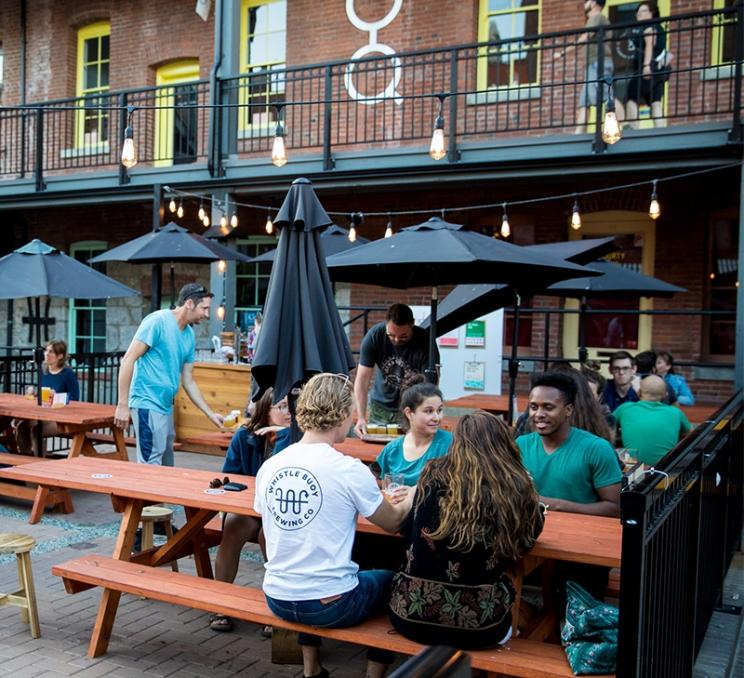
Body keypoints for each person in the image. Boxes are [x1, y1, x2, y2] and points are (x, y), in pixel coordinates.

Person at [254, 373, 413, 678]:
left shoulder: (271, 466)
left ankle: (311, 669)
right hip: (330, 605)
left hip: (277, 597)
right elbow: (393, 523)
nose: (354, 418)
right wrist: (414, 494)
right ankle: (374, 673)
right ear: (341, 414)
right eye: (352, 411)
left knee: (322, 567)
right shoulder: (349, 469)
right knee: (395, 580)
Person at [389, 411, 544, 648]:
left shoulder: (432, 475)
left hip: (410, 617)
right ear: (503, 443)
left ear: (458, 442)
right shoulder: (514, 486)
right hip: (481, 628)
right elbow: (525, 541)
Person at [114, 283, 224, 466]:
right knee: (150, 464)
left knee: (166, 463)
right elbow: (127, 360)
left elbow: (188, 381)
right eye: (204, 308)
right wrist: (122, 405)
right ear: (189, 303)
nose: (206, 314)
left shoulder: (189, 335)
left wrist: (210, 414)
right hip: (146, 403)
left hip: (166, 407)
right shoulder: (156, 322)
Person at [210, 387, 292, 633]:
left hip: (282, 511)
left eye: (292, 406)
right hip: (249, 507)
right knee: (233, 525)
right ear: (266, 410)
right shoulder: (244, 437)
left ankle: (275, 609)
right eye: (282, 406)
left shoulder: (297, 439)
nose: (289, 412)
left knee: (269, 535)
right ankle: (221, 605)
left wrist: (286, 435)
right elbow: (231, 476)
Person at [517, 371, 621, 517]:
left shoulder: (597, 448)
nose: (538, 414)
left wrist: (558, 505)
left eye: (548, 407)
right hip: (530, 532)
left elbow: (614, 508)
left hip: (581, 534)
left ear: (568, 410)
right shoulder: (520, 444)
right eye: (534, 407)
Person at [354, 304, 438, 437]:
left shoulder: (425, 341)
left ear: (412, 325)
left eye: (403, 336)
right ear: (386, 324)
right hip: (379, 408)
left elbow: (429, 386)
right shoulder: (374, 336)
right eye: (391, 335)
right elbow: (362, 380)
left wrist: (420, 415)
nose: (397, 340)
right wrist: (361, 418)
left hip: (410, 408)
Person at [376, 375, 452, 486]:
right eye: (429, 411)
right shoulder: (391, 450)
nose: (437, 417)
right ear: (409, 413)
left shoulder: (451, 444)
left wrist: (412, 494)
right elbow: (387, 491)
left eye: (439, 410)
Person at [556, 0, 616, 134]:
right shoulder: (596, 18)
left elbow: (586, 37)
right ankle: (578, 134)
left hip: (599, 63)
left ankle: (621, 126)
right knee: (585, 101)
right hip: (593, 63)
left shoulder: (597, 17)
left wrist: (563, 52)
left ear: (594, 3)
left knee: (608, 97)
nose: (584, 3)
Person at [15, 340, 80, 455]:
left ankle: (39, 463)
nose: (46, 354)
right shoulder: (43, 371)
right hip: (45, 414)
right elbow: (43, 394)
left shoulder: (67, 374)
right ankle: (25, 459)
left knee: (37, 430)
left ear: (60, 356)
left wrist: (58, 397)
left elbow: (75, 398)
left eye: (51, 352)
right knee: (22, 426)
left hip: (62, 418)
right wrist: (34, 392)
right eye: (46, 350)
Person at [614, 375, 692, 465]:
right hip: (663, 471)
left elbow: (604, 427)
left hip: (633, 470)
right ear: (665, 395)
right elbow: (690, 435)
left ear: (639, 392)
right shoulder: (676, 412)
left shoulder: (625, 408)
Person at [625, 1, 668, 128]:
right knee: (655, 101)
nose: (639, 13)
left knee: (631, 97)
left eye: (644, 11)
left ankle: (634, 130)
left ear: (652, 13)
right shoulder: (659, 27)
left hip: (648, 68)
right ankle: (660, 131)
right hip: (660, 69)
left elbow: (649, 44)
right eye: (638, 11)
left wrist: (646, 66)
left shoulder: (648, 26)